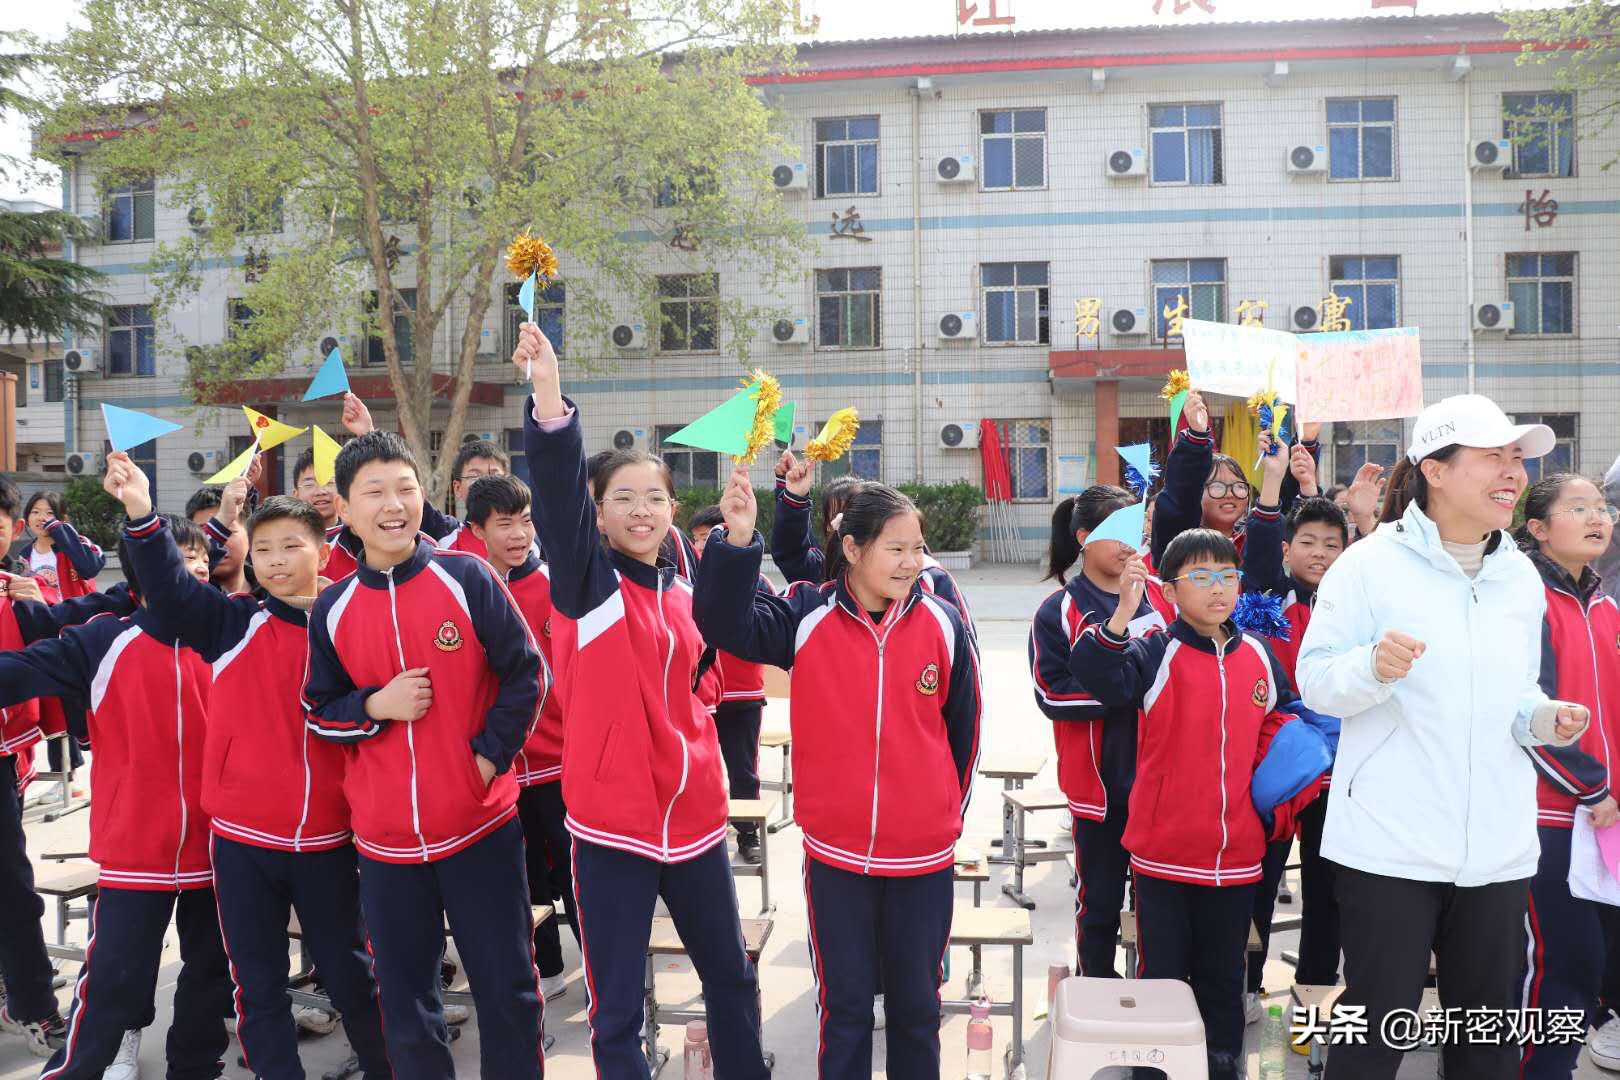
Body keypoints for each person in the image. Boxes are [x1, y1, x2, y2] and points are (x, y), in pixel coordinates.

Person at [1297, 394, 1592, 1080]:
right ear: (1434, 468)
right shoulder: (1369, 566)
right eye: (1493, 456)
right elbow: (1314, 680)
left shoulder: (1519, 575)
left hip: (1496, 846)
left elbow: (1515, 691)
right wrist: (1371, 666)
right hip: (1389, 845)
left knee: (1485, 1033)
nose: (1513, 473)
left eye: (1517, 458)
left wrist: (1543, 717)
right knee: (1375, 1028)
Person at [515, 321, 769, 1079]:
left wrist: (745, 535)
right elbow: (557, 495)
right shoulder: (587, 589)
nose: (642, 510)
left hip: (693, 821)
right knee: (617, 1006)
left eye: (655, 497)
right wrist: (549, 396)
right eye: (622, 498)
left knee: (730, 978)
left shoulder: (682, 582)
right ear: (596, 514)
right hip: (611, 828)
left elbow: (720, 647)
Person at [106, 462, 391, 1080]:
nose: (278, 560)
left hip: (330, 841)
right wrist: (141, 514)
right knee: (257, 986)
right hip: (241, 845)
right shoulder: (233, 624)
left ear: (324, 550)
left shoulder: (349, 626)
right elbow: (173, 590)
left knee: (351, 976)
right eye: (263, 550)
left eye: (293, 545)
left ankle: (385, 1067)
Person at [694, 470, 981, 1079]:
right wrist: (739, 541)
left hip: (923, 856)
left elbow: (964, 729)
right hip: (837, 855)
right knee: (845, 1008)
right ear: (853, 549)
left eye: (917, 549)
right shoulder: (807, 615)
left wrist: (943, 814)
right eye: (895, 549)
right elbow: (723, 625)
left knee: (915, 1008)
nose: (911, 564)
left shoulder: (943, 625)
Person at [302, 431, 547, 1080]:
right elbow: (319, 710)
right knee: (407, 1007)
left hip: (479, 829)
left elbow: (526, 675)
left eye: (405, 488)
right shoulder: (332, 608)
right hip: (385, 847)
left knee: (508, 994)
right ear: (346, 512)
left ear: (424, 496)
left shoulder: (465, 577)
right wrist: (376, 707)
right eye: (374, 492)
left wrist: (488, 760)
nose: (394, 504)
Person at [1071, 528, 1331, 1080]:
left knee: (1222, 981)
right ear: (1169, 589)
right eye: (1201, 577)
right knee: (1163, 982)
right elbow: (1096, 675)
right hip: (1163, 853)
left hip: (1239, 855)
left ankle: (1221, 1066)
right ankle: (1154, 1071)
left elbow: (1289, 722)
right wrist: (1122, 612)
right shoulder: (1155, 651)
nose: (1219, 589)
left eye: (1228, 576)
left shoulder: (1258, 655)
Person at [0, 506, 233, 1080]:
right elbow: (16, 670)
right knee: (113, 981)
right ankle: (86, 1065)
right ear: (142, 576)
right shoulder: (103, 642)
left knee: (207, 980)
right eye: (178, 562)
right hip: (134, 847)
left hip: (222, 844)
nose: (193, 571)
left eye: (200, 559)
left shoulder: (233, 632)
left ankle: (194, 1069)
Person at [1030, 485, 1173, 977]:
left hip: (1161, 784)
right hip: (1100, 789)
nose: (1130, 543)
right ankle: (1095, 984)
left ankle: (1154, 993)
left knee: (1158, 905)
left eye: (1136, 529)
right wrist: (1125, 687)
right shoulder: (1058, 612)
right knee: (1100, 904)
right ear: (1084, 537)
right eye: (1116, 532)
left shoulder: (1161, 595)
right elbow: (1053, 694)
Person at [1236, 437, 1350, 1016]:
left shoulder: (1356, 604)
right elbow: (1256, 553)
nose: (1320, 554)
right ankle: (1247, 985)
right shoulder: (1266, 599)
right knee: (1260, 879)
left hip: (1339, 772)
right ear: (1286, 549)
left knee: (1328, 890)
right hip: (1277, 766)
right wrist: (1275, 484)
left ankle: (1315, 992)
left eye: (1333, 545)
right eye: (1307, 542)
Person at [1512, 474, 1620, 1080]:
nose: (1596, 517)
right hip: (1553, 815)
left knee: (1594, 962)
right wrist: (1592, 786)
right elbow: (1527, 709)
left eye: (1601, 508)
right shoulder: (1526, 600)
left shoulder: (1606, 607)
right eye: (1577, 508)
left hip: (1605, 815)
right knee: (1558, 969)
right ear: (1537, 527)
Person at [463, 473, 577, 1003]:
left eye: (525, 522)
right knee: (524, 882)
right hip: (502, 767)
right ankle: (547, 966)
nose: (517, 535)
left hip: (559, 762)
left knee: (576, 877)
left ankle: (600, 971)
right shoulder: (468, 589)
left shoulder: (557, 586)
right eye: (503, 524)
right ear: (477, 531)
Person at [0, 477, 69, 1059]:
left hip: (3, 755)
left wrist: (38, 609)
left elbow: (60, 655)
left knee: (11, 885)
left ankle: (31, 1004)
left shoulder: (19, 592)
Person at [772, 449, 974, 635]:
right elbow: (792, 551)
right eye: (836, 517)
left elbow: (961, 654)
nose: (843, 524)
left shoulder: (931, 581)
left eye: (915, 548)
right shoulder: (823, 580)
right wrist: (791, 496)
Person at [689, 506, 778, 865]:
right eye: (696, 538)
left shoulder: (755, 580)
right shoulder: (687, 579)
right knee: (698, 769)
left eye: (708, 536)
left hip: (743, 693)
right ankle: (700, 836)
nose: (701, 545)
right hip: (700, 694)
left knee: (744, 769)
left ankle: (747, 833)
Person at [1148, 388, 1321, 566]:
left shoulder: (1256, 541)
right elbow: (1179, 497)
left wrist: (1306, 441)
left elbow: (1287, 505)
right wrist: (1196, 438)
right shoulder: (1178, 544)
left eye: (1239, 487)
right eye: (1217, 487)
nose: (1230, 494)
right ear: (1196, 493)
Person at [20, 490, 104, 598]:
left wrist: (59, 531)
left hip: (76, 613)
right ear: (27, 518)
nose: (41, 518)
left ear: (63, 519)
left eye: (50, 513)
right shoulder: (25, 554)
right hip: (42, 613)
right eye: (35, 512)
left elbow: (91, 569)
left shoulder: (76, 544)